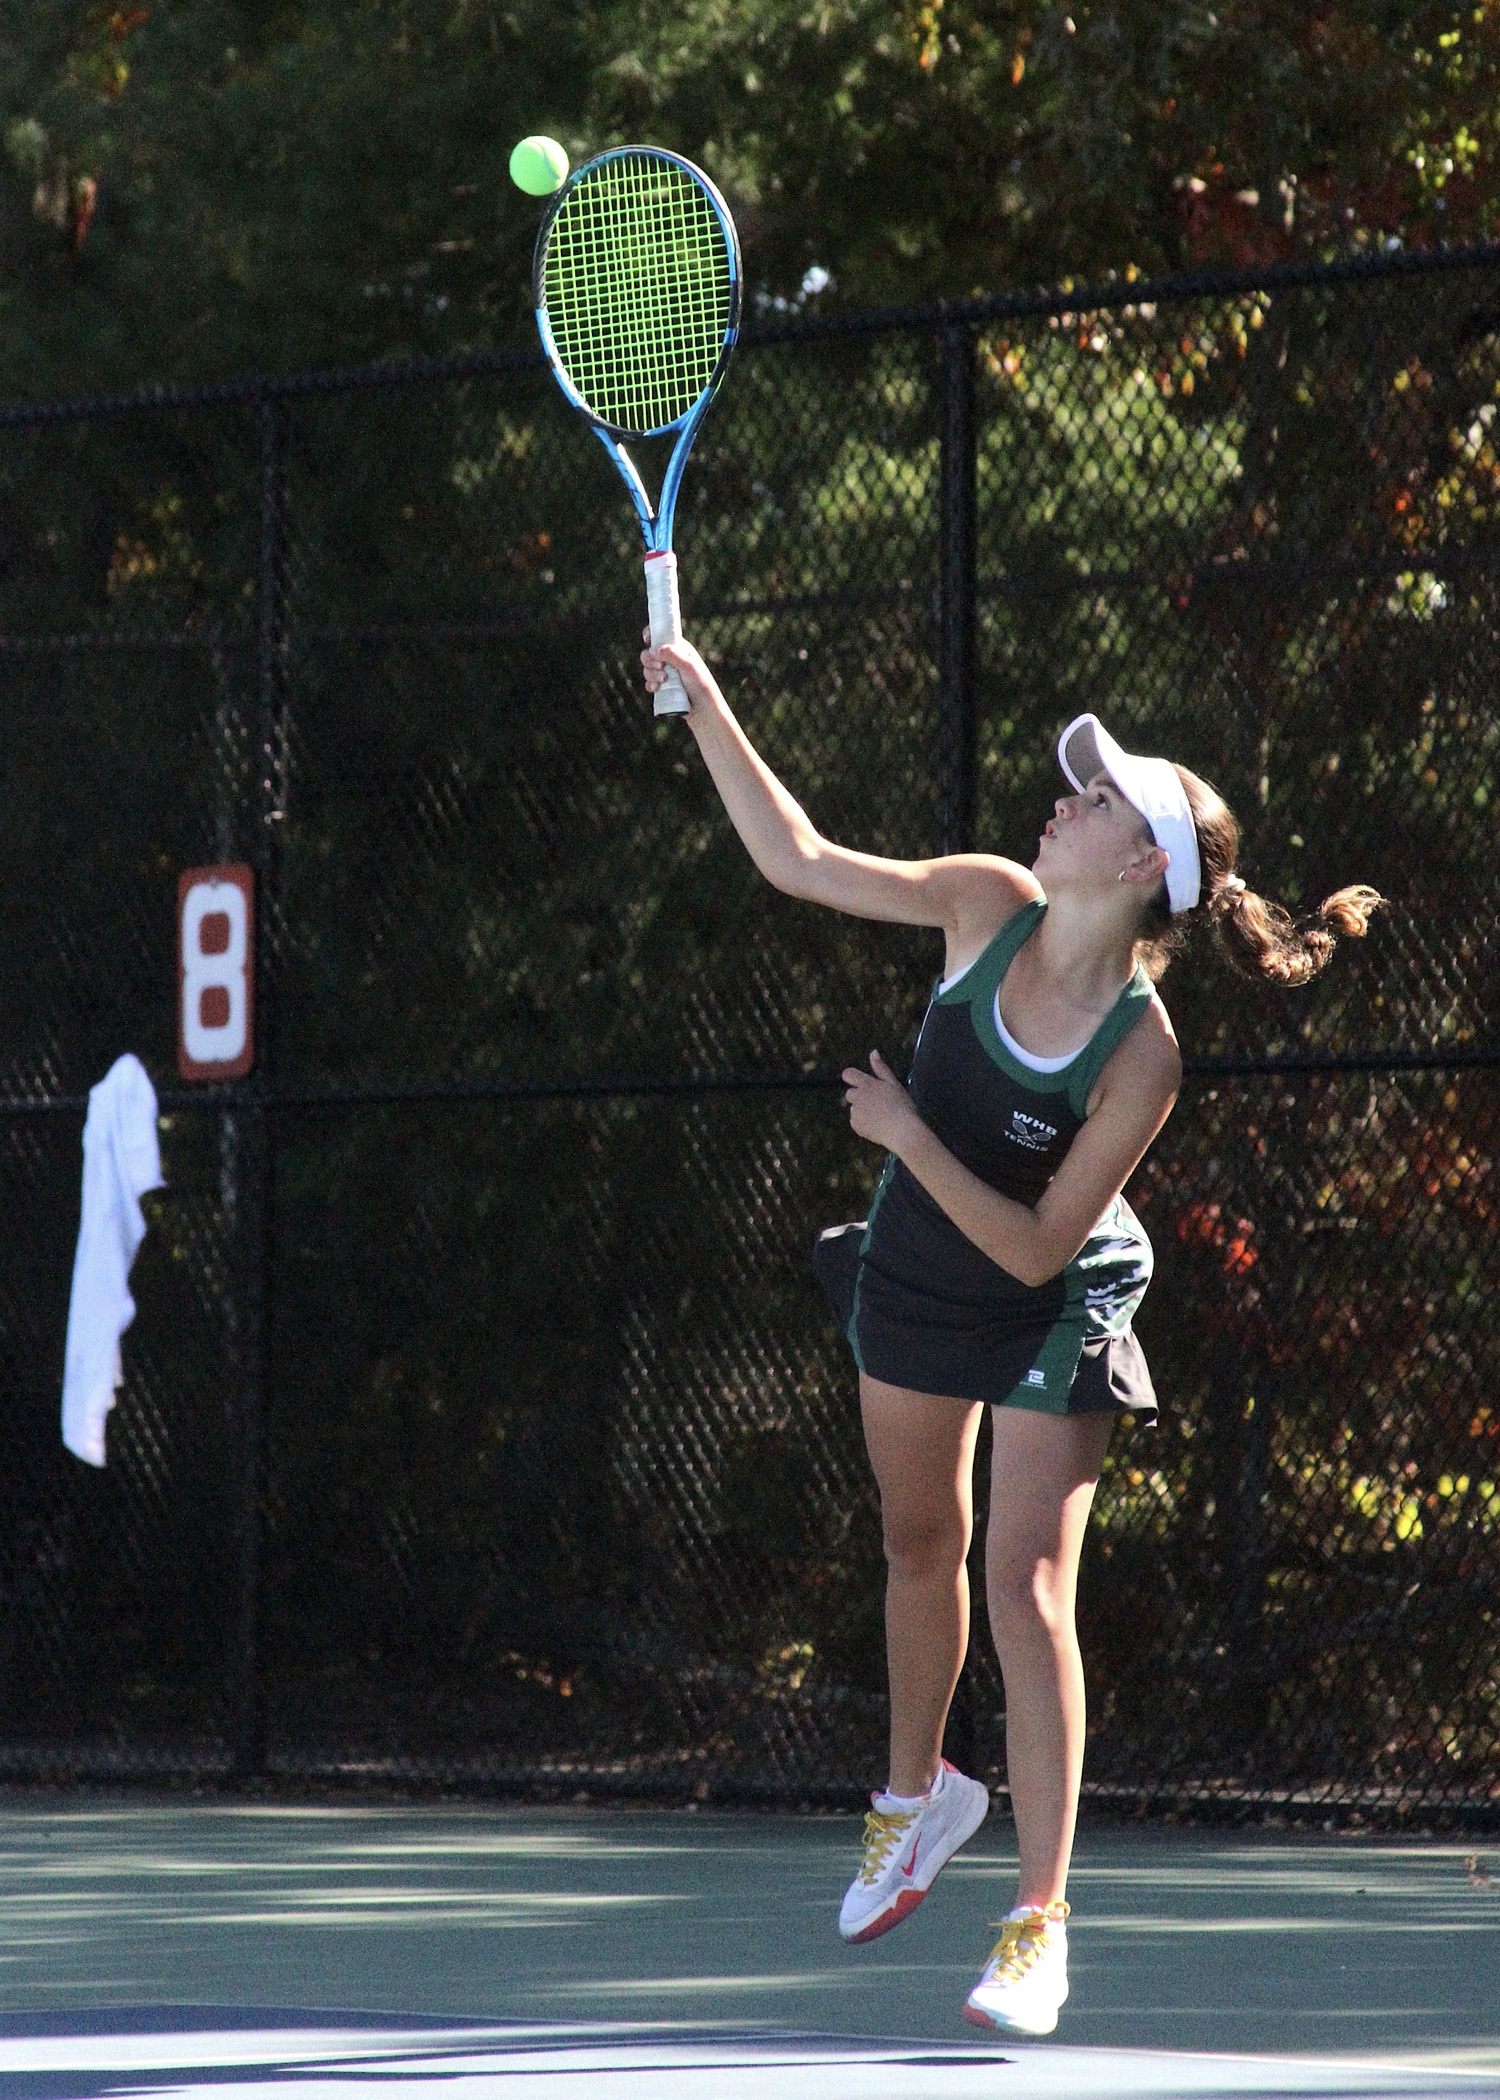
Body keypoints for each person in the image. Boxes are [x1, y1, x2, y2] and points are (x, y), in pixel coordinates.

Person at [640, 629, 1381, 2036]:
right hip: (920, 1270)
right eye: (1077, 788)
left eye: (1095, 800)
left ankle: (1039, 1921)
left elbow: (1042, 1243)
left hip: (1054, 1290)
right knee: (916, 1545)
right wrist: (707, 700)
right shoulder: (985, 904)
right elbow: (797, 857)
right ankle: (918, 1798)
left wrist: (910, 1130)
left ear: (1139, 867)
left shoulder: (1145, 1054)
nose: (1062, 800)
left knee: (1026, 1579)